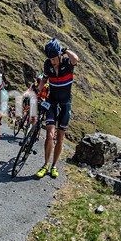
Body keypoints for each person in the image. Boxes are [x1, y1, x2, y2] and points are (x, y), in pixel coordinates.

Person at [34, 38, 79, 179]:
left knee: (60, 138)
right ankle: (45, 165)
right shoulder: (48, 64)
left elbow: (76, 59)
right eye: (50, 59)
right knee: (49, 135)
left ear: (59, 55)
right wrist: (38, 91)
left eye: (54, 58)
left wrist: (65, 50)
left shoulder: (67, 63)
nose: (52, 61)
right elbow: (44, 80)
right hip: (52, 103)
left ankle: (54, 166)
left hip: (65, 104)